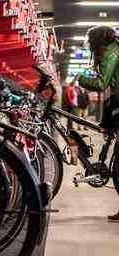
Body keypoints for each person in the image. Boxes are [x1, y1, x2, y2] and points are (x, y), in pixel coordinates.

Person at [77, 25, 119, 220]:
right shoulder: (113, 51)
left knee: (118, 164)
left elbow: (102, 84)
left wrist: (81, 79)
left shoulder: (112, 53)